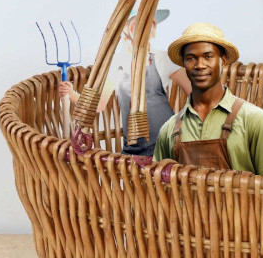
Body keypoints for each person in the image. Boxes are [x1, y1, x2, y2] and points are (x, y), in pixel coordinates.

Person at [153, 23, 263, 175]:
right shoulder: (169, 130)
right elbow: (159, 186)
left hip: (241, 200)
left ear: (222, 61)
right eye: (191, 58)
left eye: (208, 56)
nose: (200, 65)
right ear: (184, 64)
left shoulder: (255, 120)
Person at [59, 8, 191, 156]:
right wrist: (72, 94)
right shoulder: (116, 64)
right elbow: (99, 104)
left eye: (149, 25)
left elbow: (195, 94)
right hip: (136, 149)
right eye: (138, 25)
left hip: (168, 144)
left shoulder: (162, 59)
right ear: (125, 30)